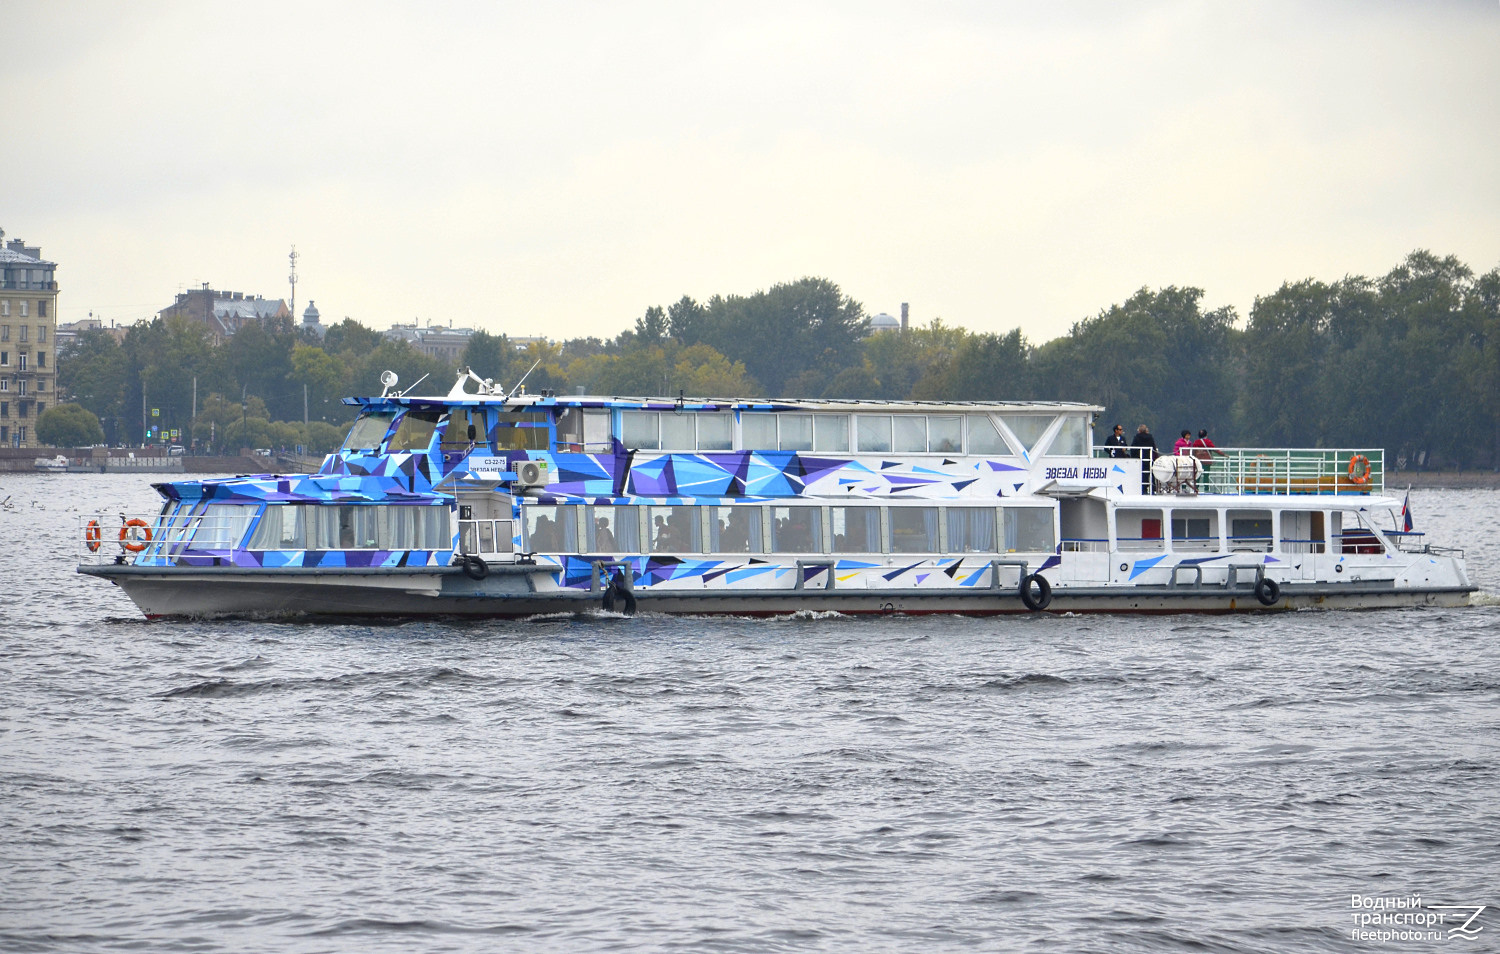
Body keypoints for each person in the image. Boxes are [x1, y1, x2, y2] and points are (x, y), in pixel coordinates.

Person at [1130, 425, 1158, 493]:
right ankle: (1152, 489)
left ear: (1139, 431)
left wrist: (1133, 457)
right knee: (1151, 474)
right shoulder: (1150, 437)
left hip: (1139, 459)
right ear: (1146, 431)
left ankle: (1143, 489)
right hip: (1149, 458)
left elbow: (1133, 448)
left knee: (1141, 474)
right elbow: (1154, 448)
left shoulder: (1136, 437)